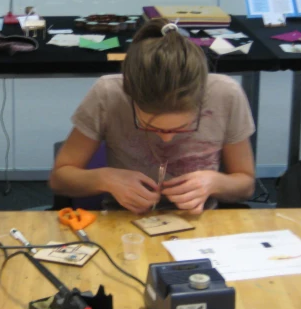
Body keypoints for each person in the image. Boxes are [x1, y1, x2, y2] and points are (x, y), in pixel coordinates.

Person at [50, 20, 256, 214]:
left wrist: (216, 182)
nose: (166, 139)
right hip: (124, 218)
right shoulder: (108, 94)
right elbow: (60, 179)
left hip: (199, 219)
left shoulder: (225, 95)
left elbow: (246, 185)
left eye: (181, 128)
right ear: (130, 95)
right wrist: (104, 178)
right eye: (149, 126)